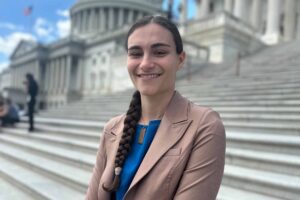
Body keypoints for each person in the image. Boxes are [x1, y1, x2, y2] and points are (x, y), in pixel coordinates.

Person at [86, 15, 226, 200]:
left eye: (159, 52)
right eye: (135, 53)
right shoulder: (112, 128)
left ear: (181, 59)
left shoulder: (205, 126)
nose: (145, 64)